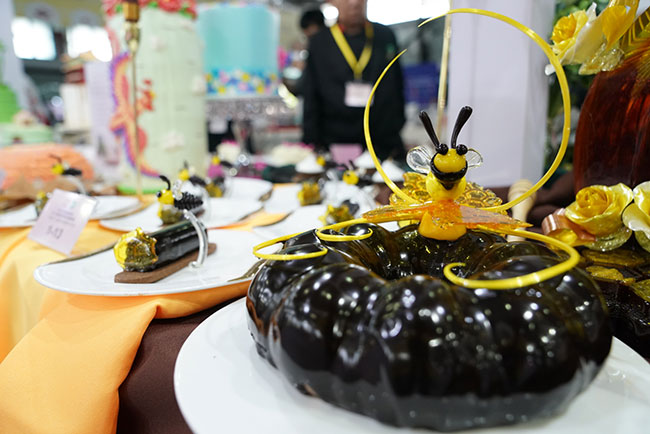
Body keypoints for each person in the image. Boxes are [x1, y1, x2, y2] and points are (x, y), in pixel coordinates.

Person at [301, 0, 406, 160]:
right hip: (335, 141)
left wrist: (397, 126)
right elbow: (310, 94)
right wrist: (311, 141)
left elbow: (397, 85)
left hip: (382, 141)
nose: (354, 3)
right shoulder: (320, 42)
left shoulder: (385, 36)